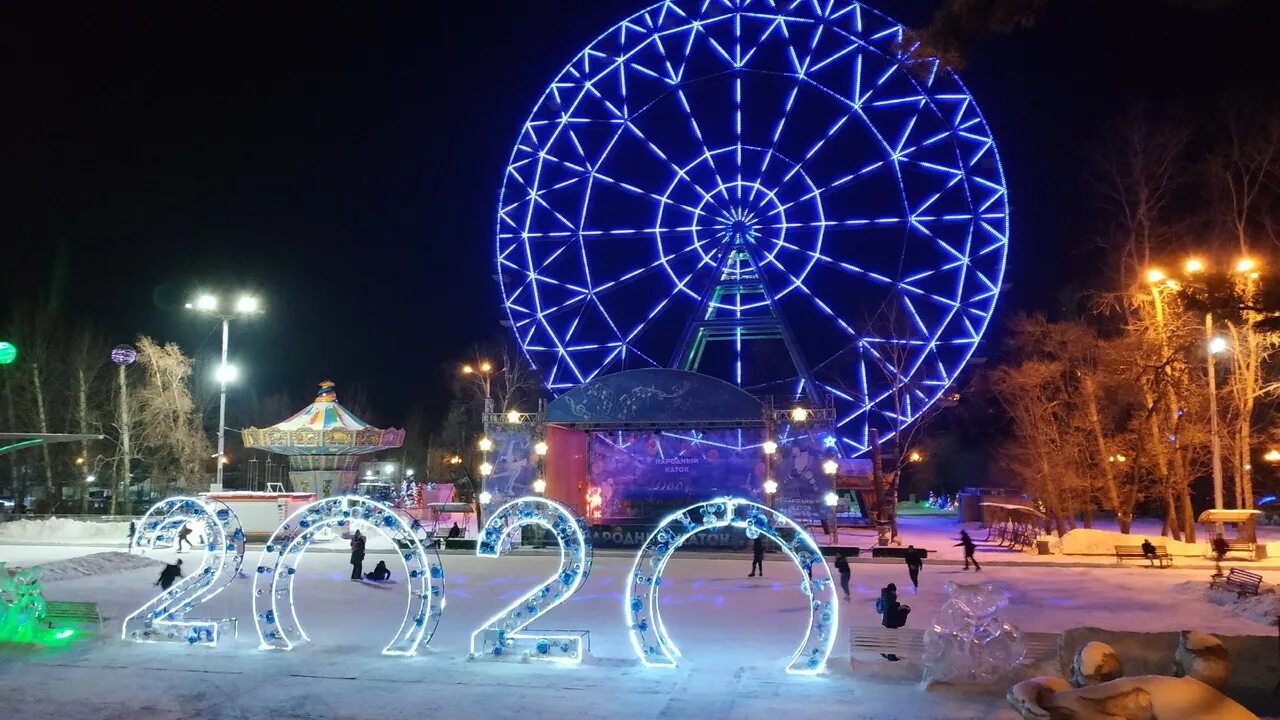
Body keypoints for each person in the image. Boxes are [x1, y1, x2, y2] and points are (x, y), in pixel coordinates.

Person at [875, 582, 910, 661]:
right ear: (892, 590)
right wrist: (898, 607)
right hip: (891, 620)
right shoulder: (890, 596)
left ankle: (885, 651)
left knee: (889, 637)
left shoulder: (886, 595)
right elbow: (890, 608)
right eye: (894, 590)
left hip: (887, 619)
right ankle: (891, 655)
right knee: (892, 638)